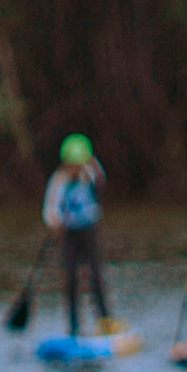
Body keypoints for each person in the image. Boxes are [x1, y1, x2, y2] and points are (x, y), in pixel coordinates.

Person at [44, 134, 111, 339]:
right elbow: (50, 210)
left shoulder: (91, 174)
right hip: (70, 234)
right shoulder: (58, 181)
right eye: (71, 165)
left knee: (95, 276)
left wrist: (90, 160)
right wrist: (55, 220)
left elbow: (101, 181)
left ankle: (105, 321)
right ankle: (73, 327)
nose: (74, 169)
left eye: (78, 164)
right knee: (71, 279)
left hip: (89, 231)